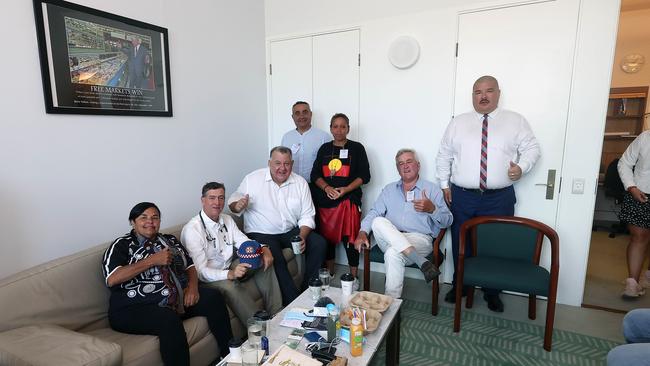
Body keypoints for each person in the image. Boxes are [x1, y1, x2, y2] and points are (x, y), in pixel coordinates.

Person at [436, 75, 540, 312]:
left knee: (496, 245)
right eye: (477, 92)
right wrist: (444, 185)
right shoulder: (458, 123)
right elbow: (444, 155)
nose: (483, 96)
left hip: (499, 197)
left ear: (498, 94)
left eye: (488, 91)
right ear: (472, 95)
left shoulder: (515, 121)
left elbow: (532, 148)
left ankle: (493, 291)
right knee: (461, 242)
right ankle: (460, 285)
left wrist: (522, 168)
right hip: (462, 195)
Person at [102, 202, 232, 366]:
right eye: (144, 218)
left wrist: (193, 288)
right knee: (168, 319)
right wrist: (151, 261)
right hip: (132, 309)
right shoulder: (121, 246)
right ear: (132, 222)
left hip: (174, 299)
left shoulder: (169, 240)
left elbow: (190, 265)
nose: (150, 221)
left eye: (155, 217)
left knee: (213, 297)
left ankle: (229, 356)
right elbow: (112, 278)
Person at [228, 146, 327, 304]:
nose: (282, 168)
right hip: (261, 232)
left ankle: (309, 290)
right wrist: (237, 205)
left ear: (292, 164)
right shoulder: (253, 179)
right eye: (277, 163)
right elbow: (233, 201)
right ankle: (294, 302)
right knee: (275, 256)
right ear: (269, 163)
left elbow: (307, 215)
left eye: (287, 164)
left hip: (289, 231)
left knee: (319, 243)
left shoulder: (300, 183)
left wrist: (302, 236)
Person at [354, 149, 452, 298]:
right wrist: (362, 232)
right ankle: (422, 263)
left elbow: (448, 220)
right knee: (378, 220)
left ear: (418, 165)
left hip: (420, 239)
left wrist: (432, 209)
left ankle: (392, 304)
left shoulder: (432, 189)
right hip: (388, 237)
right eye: (401, 163)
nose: (405, 166)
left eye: (409, 161)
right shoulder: (389, 190)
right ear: (397, 169)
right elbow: (374, 212)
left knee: (393, 253)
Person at [181, 182, 282, 326]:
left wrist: (263, 248)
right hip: (210, 278)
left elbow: (244, 243)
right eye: (212, 198)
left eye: (221, 198)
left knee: (260, 259)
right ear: (203, 200)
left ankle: (277, 313)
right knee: (230, 285)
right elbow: (200, 272)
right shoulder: (193, 230)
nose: (217, 202)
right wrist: (229, 274)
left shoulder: (227, 219)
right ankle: (259, 327)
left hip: (229, 267)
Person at [311, 113, 370, 286]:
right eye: (335, 126)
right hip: (325, 201)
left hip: (348, 200)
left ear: (348, 129)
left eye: (343, 126)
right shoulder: (324, 149)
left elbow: (365, 176)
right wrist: (327, 188)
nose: (339, 130)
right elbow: (315, 174)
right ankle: (328, 273)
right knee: (326, 239)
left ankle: (354, 277)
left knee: (350, 238)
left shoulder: (357, 148)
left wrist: (345, 190)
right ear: (330, 128)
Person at [618, 130, 650, 298]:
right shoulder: (645, 137)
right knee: (639, 237)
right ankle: (633, 283)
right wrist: (631, 186)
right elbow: (624, 163)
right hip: (640, 193)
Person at [281, 101, 331, 183]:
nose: (301, 116)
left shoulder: (324, 137)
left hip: (316, 186)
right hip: (291, 184)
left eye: (305, 112)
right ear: (292, 117)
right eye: (297, 113)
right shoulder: (286, 137)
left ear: (310, 114)